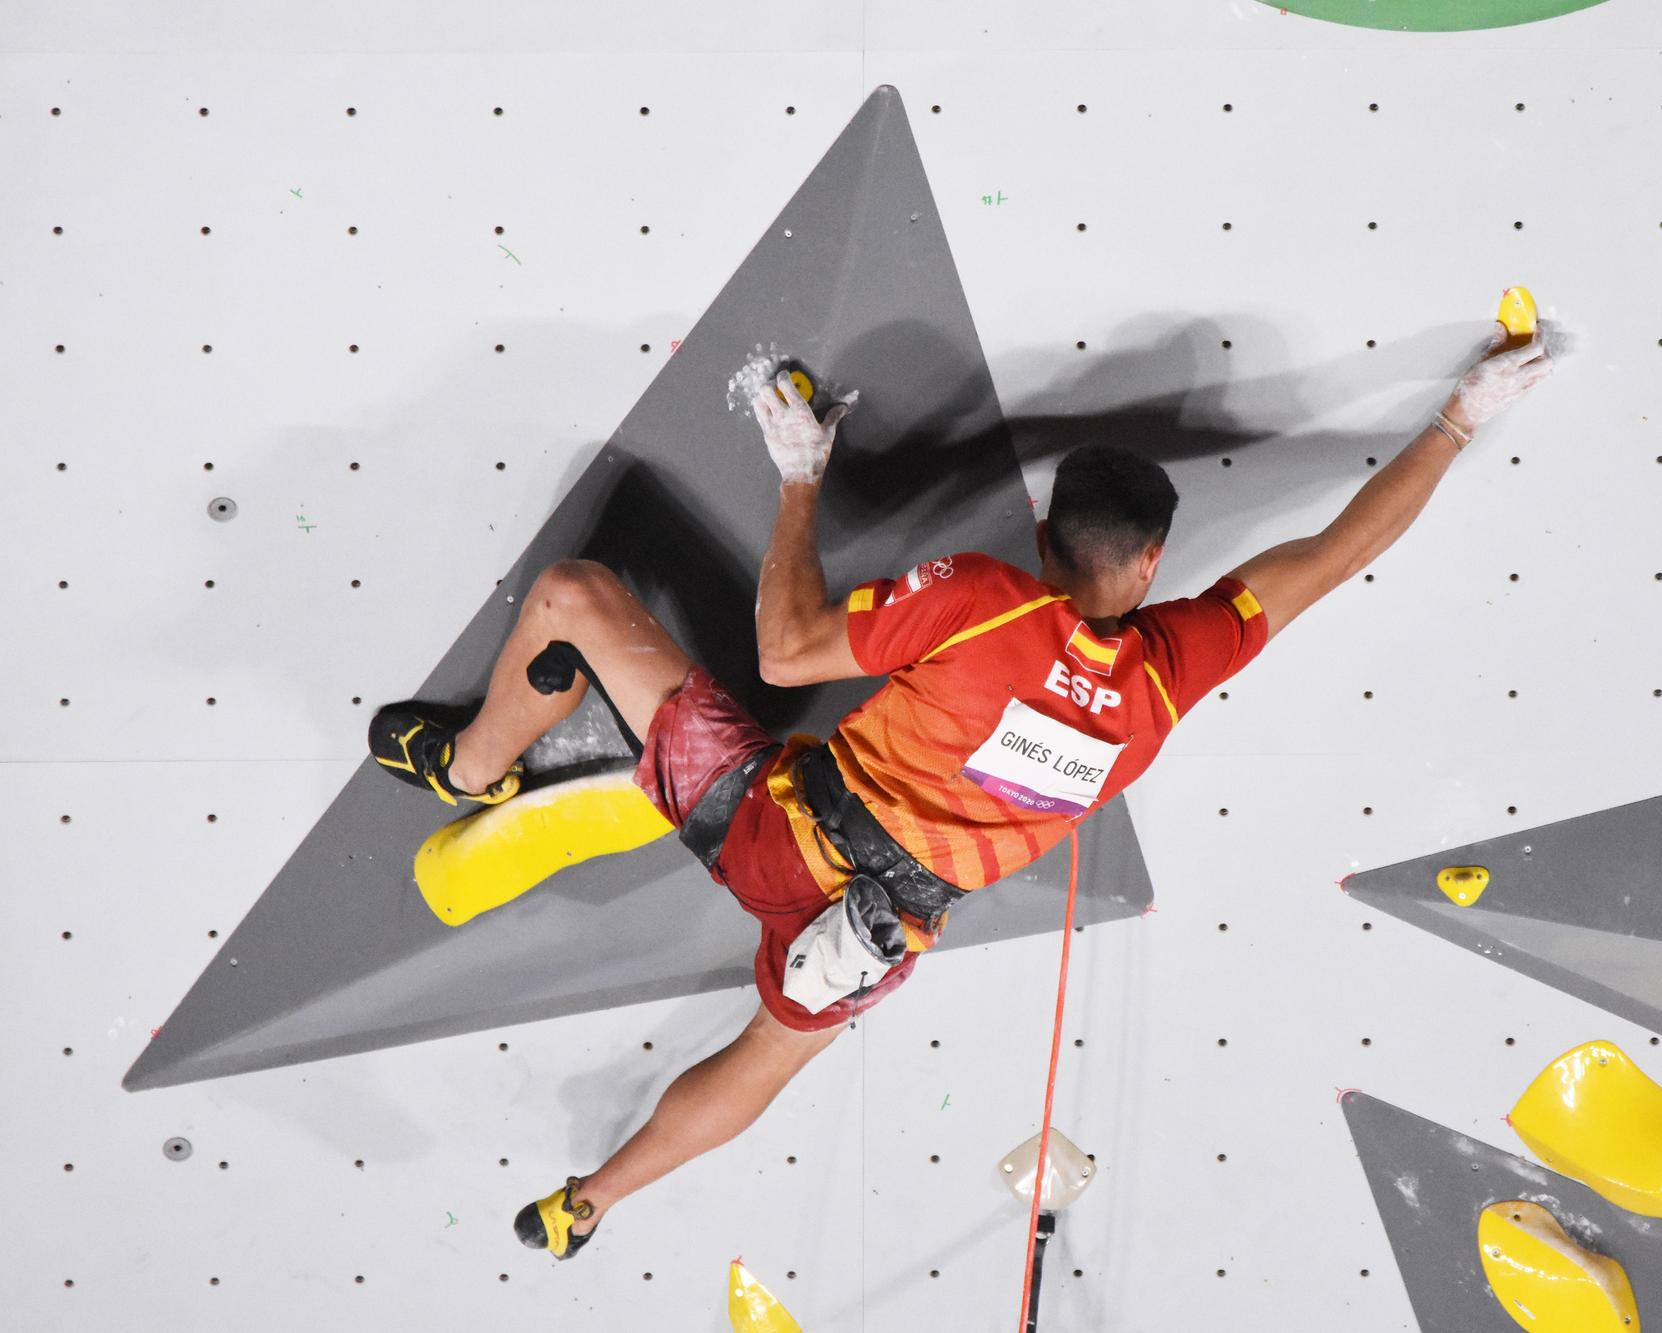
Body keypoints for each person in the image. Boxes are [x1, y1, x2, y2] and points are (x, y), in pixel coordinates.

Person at [366, 321, 1553, 1260]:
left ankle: (469, 765)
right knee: (764, 1061)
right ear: (1149, 567)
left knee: (575, 594)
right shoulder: (1170, 670)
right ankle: (589, 1202)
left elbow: (784, 650)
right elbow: (1340, 552)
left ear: (1043, 533)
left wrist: (799, 477)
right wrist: (1457, 419)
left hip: (772, 830)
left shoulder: (992, 596)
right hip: (881, 933)